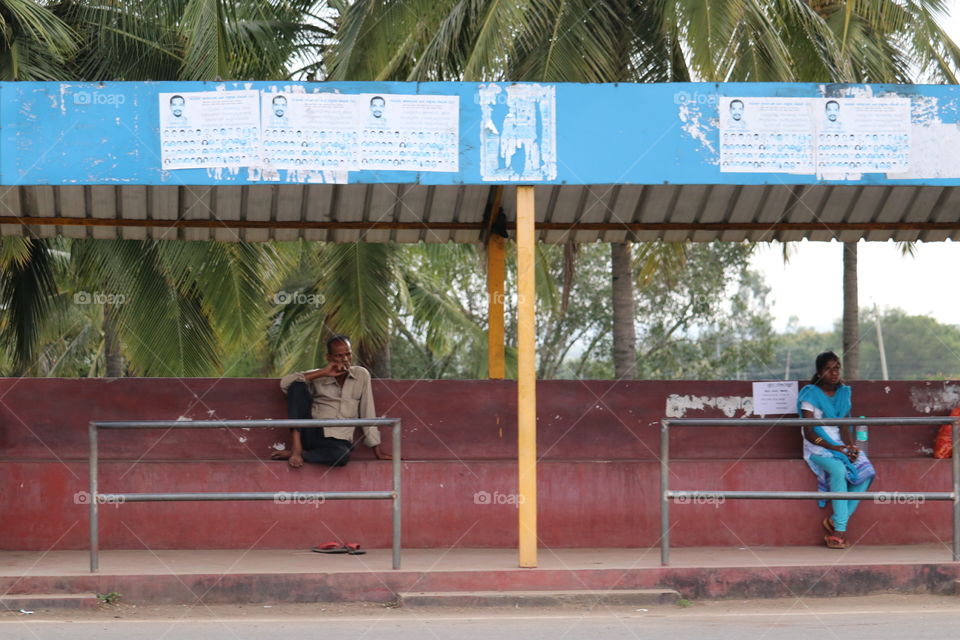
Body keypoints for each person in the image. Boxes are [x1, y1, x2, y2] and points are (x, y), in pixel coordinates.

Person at [273, 335, 390, 467]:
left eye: (348, 354)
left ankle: (302, 455)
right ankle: (297, 448)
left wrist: (377, 451)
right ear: (329, 357)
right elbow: (285, 384)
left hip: (339, 440)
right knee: (297, 385)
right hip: (312, 432)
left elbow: (367, 410)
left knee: (341, 456)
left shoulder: (361, 375)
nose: (345, 359)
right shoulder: (319, 375)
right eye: (339, 356)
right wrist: (323, 373)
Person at [797, 351, 873, 549]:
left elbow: (844, 425)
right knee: (839, 470)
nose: (834, 373)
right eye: (829, 369)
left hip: (839, 444)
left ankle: (835, 520)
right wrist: (835, 448)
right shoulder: (809, 394)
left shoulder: (844, 393)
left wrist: (849, 447)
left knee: (866, 472)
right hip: (818, 447)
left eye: (837, 368)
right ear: (820, 372)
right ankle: (839, 531)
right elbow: (809, 432)